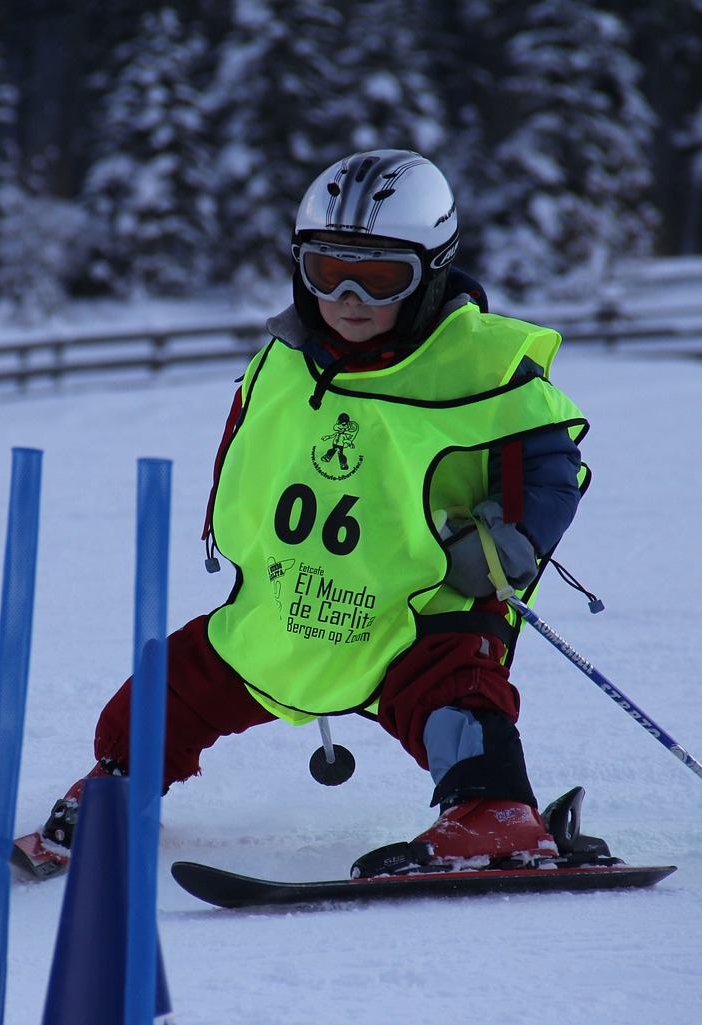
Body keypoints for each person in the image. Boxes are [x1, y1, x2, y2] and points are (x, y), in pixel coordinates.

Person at [41, 149, 589, 873]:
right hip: (294, 596)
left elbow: (550, 468)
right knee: (179, 677)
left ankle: (495, 813)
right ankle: (114, 789)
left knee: (460, 694)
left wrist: (508, 543)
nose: (352, 295)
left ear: (432, 270)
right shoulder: (287, 356)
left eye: (382, 276)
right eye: (328, 272)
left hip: (419, 606)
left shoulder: (484, 367)